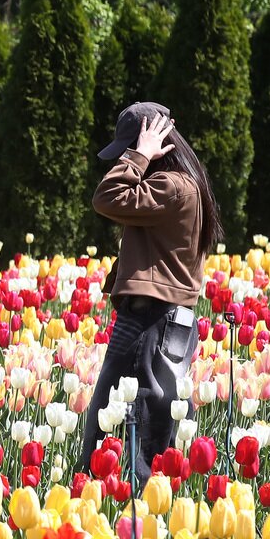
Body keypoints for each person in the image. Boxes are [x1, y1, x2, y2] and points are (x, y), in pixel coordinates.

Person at [76, 101, 223, 489]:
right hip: (165, 321)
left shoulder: (172, 186)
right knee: (143, 433)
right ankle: (136, 524)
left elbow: (106, 196)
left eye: (133, 146)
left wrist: (139, 154)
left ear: (158, 142)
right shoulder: (185, 185)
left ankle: (124, 530)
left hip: (149, 323)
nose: (124, 159)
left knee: (118, 440)